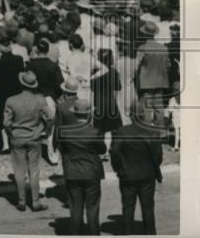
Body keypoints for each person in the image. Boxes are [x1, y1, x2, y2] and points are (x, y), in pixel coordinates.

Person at [111, 101, 164, 235]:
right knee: (148, 208)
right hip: (147, 175)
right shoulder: (153, 131)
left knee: (128, 208)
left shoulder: (122, 131)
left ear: (131, 115)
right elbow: (158, 157)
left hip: (127, 176)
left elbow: (115, 152)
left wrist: (118, 169)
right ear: (143, 115)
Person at [3, 70, 52, 212]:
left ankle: (21, 200)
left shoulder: (11, 100)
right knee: (34, 169)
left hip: (17, 137)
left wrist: (11, 134)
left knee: (19, 169)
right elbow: (51, 116)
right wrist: (46, 131)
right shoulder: (40, 99)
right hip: (34, 136)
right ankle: (35, 201)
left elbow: (6, 123)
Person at [56, 98, 105, 235]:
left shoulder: (64, 131)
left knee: (75, 208)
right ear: (89, 114)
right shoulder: (94, 132)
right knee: (92, 208)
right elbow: (102, 149)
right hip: (91, 172)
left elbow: (62, 149)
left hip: (72, 172)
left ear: (75, 113)